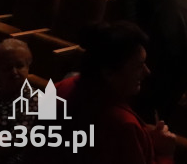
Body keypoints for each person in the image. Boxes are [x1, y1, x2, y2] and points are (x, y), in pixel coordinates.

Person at [56, 21, 180, 164]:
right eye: (139, 66)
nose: (147, 72)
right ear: (108, 72)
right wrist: (164, 153)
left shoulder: (59, 89)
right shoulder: (124, 124)